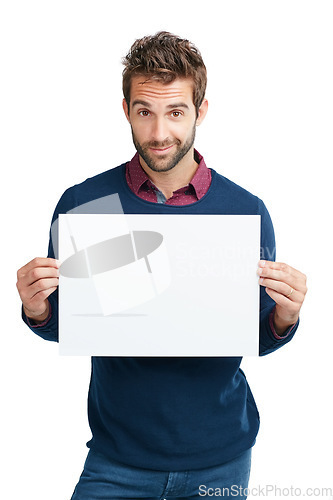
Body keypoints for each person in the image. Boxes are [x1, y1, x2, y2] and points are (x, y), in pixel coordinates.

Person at [16, 31, 307, 499]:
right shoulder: (87, 204)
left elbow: (248, 336)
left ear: (201, 111)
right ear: (126, 109)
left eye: (176, 112)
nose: (158, 133)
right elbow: (73, 326)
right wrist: (39, 312)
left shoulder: (245, 212)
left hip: (221, 460)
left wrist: (284, 319)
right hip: (116, 460)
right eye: (144, 112)